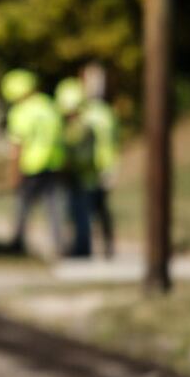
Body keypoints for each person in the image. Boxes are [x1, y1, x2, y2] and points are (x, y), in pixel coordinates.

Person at [2, 69, 66, 255]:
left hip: (30, 165)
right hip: (54, 163)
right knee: (54, 209)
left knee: (23, 206)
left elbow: (17, 145)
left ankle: (17, 242)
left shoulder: (21, 111)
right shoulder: (49, 106)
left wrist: (14, 172)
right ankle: (58, 244)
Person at [78, 68, 120, 259]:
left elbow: (112, 142)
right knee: (91, 209)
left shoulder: (103, 113)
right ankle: (88, 246)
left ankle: (106, 245)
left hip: (102, 167)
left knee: (99, 208)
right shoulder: (87, 112)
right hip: (89, 167)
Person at [55, 77, 95, 258]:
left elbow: (77, 154)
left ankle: (80, 248)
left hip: (78, 175)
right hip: (77, 175)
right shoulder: (82, 125)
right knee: (74, 214)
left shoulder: (82, 127)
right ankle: (76, 247)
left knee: (78, 214)